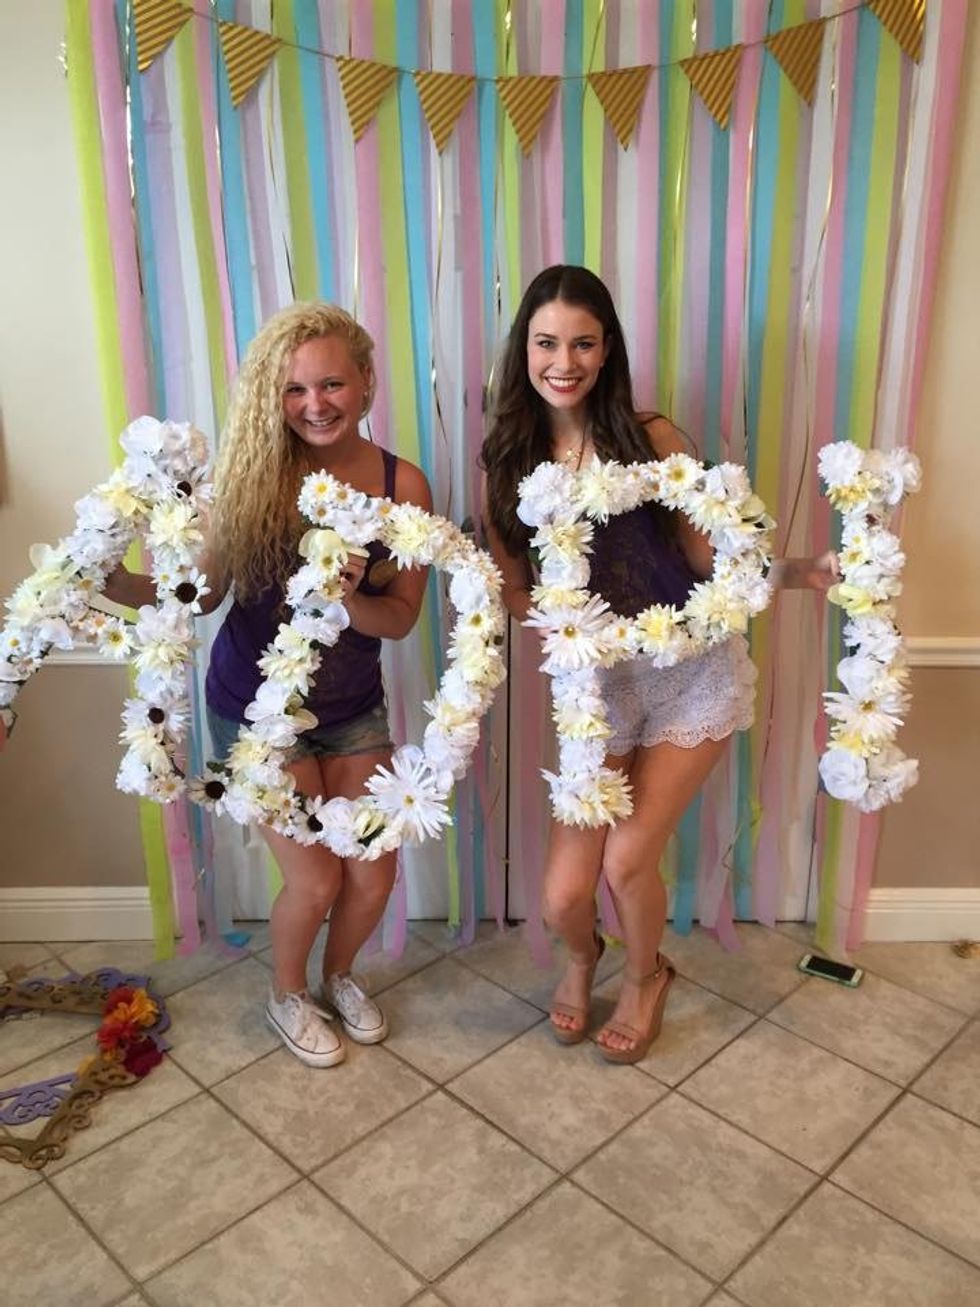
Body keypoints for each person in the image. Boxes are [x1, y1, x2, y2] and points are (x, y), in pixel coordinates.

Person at [480, 265, 834, 1064]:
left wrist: (798, 571)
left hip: (688, 673)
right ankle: (584, 958)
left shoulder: (653, 438)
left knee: (629, 859)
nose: (563, 361)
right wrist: (564, 625)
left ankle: (647, 975)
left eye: (582, 343)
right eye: (546, 342)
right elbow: (512, 586)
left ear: (607, 350)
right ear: (524, 349)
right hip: (597, 692)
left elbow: (713, 558)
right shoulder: (506, 460)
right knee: (563, 894)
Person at [105, 302, 431, 1068]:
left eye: (332, 384)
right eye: (294, 389)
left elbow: (399, 618)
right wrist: (113, 579)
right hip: (253, 712)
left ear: (365, 381)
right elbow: (203, 595)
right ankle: (287, 993)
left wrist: (344, 596)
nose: (315, 404)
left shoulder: (402, 484)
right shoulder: (251, 475)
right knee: (315, 881)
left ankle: (338, 976)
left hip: (352, 707)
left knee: (373, 874)